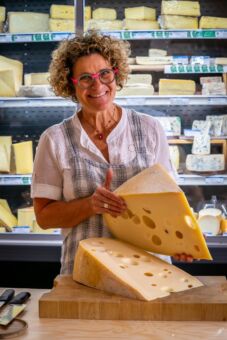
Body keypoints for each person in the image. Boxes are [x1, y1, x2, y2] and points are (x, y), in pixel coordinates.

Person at [31, 31, 193, 274]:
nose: (98, 85)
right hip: (87, 272)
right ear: (70, 84)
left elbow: (168, 199)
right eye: (85, 78)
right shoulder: (54, 139)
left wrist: (181, 241)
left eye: (104, 74)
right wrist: (90, 205)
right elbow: (44, 217)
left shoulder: (149, 128)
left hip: (149, 271)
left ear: (116, 74)